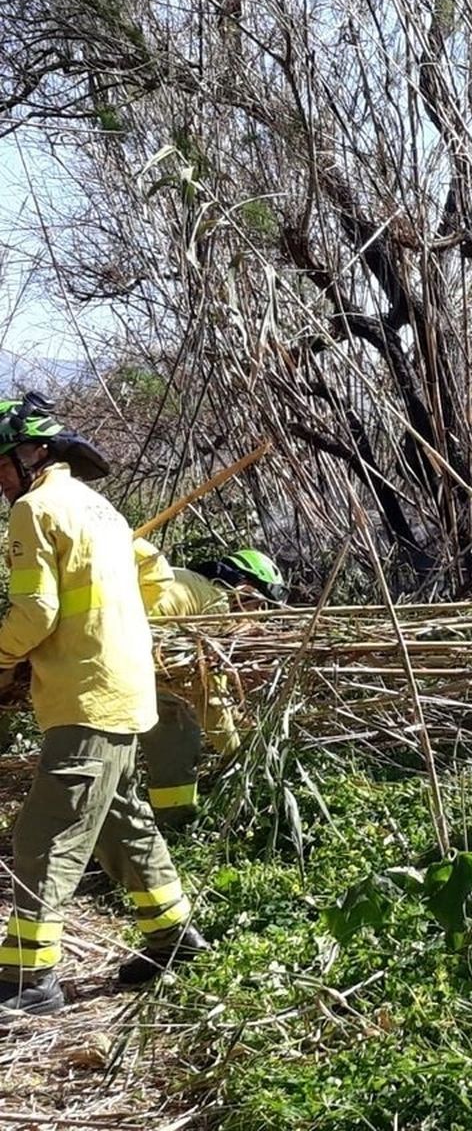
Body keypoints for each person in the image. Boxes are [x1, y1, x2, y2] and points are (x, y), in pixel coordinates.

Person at [0, 396, 206, 1017]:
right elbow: (156, 576)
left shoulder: (35, 510)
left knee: (45, 838)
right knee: (122, 822)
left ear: (30, 453)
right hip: (121, 687)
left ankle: (29, 982)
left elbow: (34, 613)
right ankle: (175, 938)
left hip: (85, 696)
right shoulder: (102, 511)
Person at [133, 545, 287, 824]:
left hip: (110, 656)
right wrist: (237, 755)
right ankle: (176, 823)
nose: (259, 615)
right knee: (178, 728)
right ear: (244, 588)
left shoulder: (194, 585)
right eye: (259, 605)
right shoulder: (216, 607)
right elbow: (208, 694)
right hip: (128, 662)